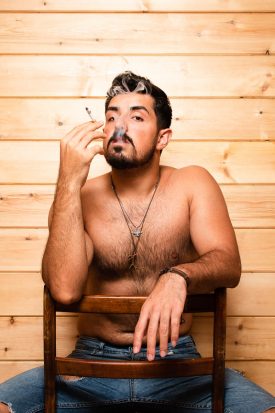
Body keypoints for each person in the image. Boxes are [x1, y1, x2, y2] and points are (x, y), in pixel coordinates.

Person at [0, 71, 274, 413]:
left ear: (163, 137)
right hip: (89, 368)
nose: (120, 125)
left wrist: (178, 276)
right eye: (112, 116)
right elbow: (64, 289)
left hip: (176, 363)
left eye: (136, 117)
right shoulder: (80, 195)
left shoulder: (192, 184)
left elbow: (228, 264)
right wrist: (68, 179)